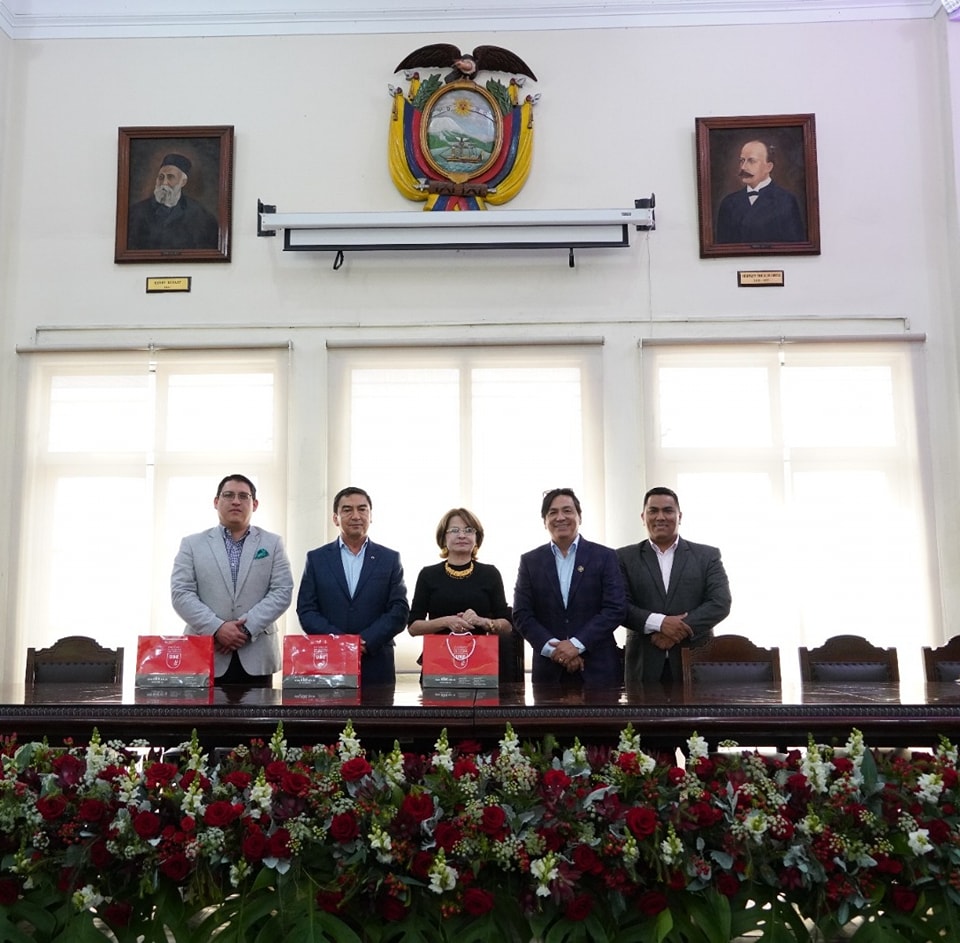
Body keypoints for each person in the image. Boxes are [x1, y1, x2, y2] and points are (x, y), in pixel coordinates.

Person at [171, 474, 293, 686]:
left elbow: (282, 591)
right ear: (216, 502)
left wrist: (244, 629)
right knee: (204, 719)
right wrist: (217, 628)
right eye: (228, 495)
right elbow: (181, 594)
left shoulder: (272, 543)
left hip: (257, 653)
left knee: (259, 718)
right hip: (206, 652)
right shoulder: (192, 544)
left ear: (254, 504)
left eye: (243, 496)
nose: (236, 501)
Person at [617, 486, 732, 686]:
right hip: (644, 665)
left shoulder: (707, 556)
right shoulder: (623, 557)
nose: (660, 517)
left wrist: (679, 629)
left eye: (668, 511)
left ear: (679, 516)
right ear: (643, 517)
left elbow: (719, 602)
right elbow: (618, 605)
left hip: (695, 662)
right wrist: (660, 623)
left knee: (696, 718)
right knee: (641, 718)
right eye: (653, 511)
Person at [513, 488, 625, 687]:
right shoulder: (530, 561)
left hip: (598, 669)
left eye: (567, 510)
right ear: (544, 521)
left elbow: (615, 609)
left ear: (579, 517)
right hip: (549, 671)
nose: (560, 517)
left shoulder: (605, 557)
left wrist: (576, 645)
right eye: (553, 512)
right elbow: (522, 615)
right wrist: (555, 650)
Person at [296, 487, 409, 686]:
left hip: (376, 660)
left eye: (362, 509)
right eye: (347, 510)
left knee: (377, 717)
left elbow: (399, 610)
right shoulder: (316, 558)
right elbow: (307, 610)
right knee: (332, 716)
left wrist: (365, 641)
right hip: (328, 661)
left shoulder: (389, 558)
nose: (356, 516)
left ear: (371, 516)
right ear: (335, 518)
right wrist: (342, 643)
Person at [407, 508, 518, 682]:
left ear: (476, 538)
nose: (462, 535)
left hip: (481, 666)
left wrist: (482, 621)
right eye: (454, 530)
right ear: (444, 538)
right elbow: (413, 627)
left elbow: (507, 625)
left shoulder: (490, 574)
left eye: (468, 530)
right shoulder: (428, 575)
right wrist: (447, 621)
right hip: (439, 667)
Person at [715, 140, 805, 244]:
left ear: (768, 167)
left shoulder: (786, 201)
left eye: (751, 161)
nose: (743, 167)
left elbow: (795, 248)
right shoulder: (728, 203)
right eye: (742, 161)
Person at [127, 153, 219, 251]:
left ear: (183, 182)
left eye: (170, 177)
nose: (164, 183)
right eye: (161, 177)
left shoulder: (201, 217)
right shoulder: (135, 213)